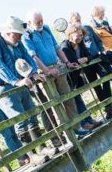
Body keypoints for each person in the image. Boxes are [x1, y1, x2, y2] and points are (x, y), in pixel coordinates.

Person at [0, 16, 50, 165]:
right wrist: (16, 80)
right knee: (20, 119)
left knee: (32, 113)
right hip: (4, 85)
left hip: (22, 81)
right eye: (17, 34)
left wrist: (33, 72)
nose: (20, 37)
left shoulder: (17, 42)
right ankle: (31, 155)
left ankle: (42, 148)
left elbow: (26, 57)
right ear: (7, 32)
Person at [22, 10, 90, 141]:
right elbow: (33, 56)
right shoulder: (27, 36)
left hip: (57, 67)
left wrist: (67, 62)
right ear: (30, 23)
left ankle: (77, 128)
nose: (41, 23)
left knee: (69, 98)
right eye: (37, 22)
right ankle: (68, 135)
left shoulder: (46, 28)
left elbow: (56, 47)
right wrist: (47, 71)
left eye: (42, 20)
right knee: (56, 105)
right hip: (45, 73)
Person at [60, 23, 112, 120]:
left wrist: (86, 59)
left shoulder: (80, 43)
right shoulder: (65, 47)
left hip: (82, 69)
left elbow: (91, 55)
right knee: (77, 98)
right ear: (70, 35)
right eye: (77, 35)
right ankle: (86, 121)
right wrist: (82, 60)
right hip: (70, 77)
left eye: (81, 35)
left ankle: (108, 108)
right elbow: (73, 61)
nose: (79, 37)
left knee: (104, 77)